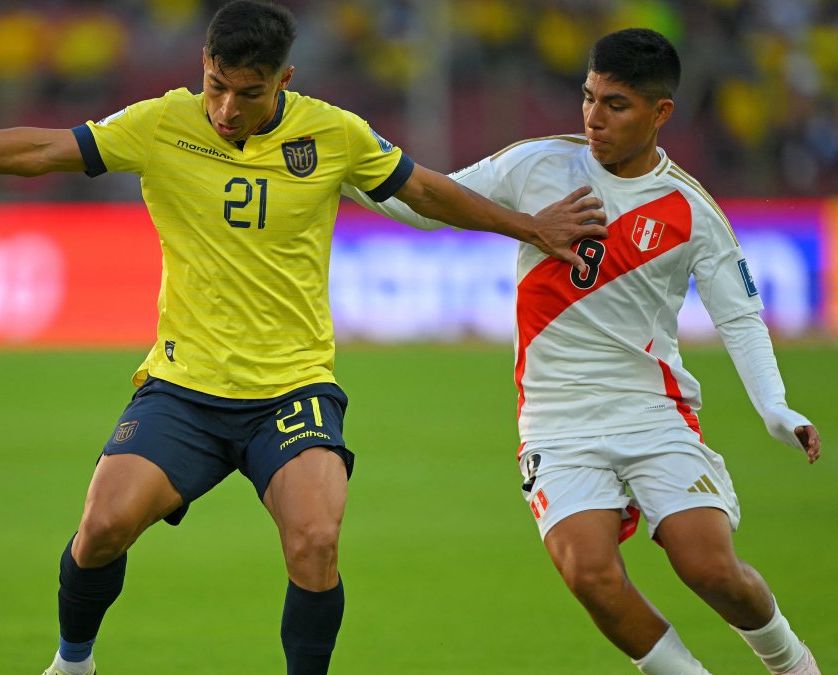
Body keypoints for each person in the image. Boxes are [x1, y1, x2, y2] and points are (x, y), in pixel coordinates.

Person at [0, 2, 606, 673]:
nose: (227, 109)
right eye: (215, 86)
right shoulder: (160, 123)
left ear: (284, 80)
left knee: (316, 540)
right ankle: (74, 662)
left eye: (248, 93)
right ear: (202, 66)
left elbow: (427, 189)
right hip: (183, 387)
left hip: (292, 389)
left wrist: (529, 226)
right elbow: (43, 150)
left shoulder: (332, 134)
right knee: (101, 528)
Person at [344, 28, 822, 675]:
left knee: (709, 568)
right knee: (589, 573)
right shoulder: (536, 165)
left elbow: (738, 315)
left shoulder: (690, 210)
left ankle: (792, 662)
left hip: (653, 411)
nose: (594, 117)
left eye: (616, 104)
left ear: (661, 113)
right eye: (589, 97)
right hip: (557, 419)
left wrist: (775, 406)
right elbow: (433, 204)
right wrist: (345, 168)